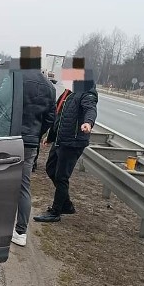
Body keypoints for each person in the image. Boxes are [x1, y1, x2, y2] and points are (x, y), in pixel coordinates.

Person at [34, 58, 98, 223]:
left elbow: (90, 109)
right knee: (50, 169)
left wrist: (88, 123)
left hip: (74, 142)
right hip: (61, 140)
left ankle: (56, 212)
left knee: (62, 176)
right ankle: (66, 204)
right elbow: (59, 116)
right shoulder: (68, 92)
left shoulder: (87, 91)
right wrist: (51, 137)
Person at [11, 48, 57, 246]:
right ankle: (20, 232)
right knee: (23, 186)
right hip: (30, 143)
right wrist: (38, 134)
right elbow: (51, 118)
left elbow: (3, 104)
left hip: (9, 138)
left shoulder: (16, 78)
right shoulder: (49, 87)